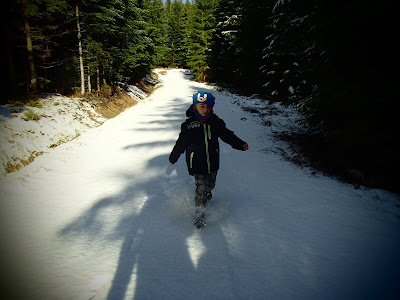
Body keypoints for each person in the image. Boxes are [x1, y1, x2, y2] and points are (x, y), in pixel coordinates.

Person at [169, 91, 248, 227]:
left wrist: (240, 144)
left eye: (208, 107)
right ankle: (200, 213)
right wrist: (174, 156)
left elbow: (227, 135)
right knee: (201, 188)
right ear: (195, 107)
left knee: (210, 185)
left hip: (212, 161)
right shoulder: (189, 125)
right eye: (202, 106)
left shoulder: (215, 122)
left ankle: (207, 194)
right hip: (196, 163)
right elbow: (181, 142)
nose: (205, 110)